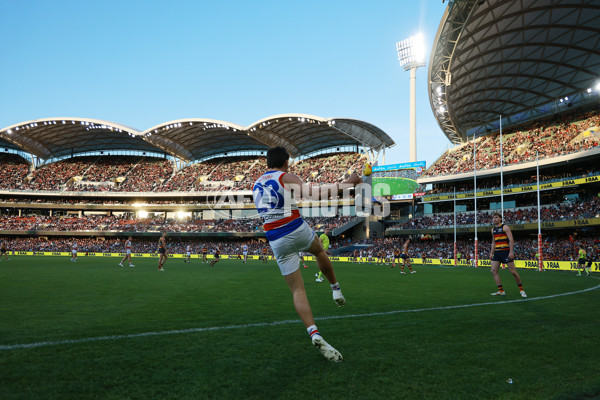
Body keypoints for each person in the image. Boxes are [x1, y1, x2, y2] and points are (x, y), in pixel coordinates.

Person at [252, 146, 362, 362]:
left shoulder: (256, 183)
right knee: (319, 249)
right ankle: (335, 289)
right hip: (294, 228)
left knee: (297, 290)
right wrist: (348, 183)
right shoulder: (285, 176)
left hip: (275, 239)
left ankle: (313, 331)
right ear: (285, 161)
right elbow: (315, 194)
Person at [489, 212, 526, 297]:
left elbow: (511, 240)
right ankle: (501, 291)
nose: (494, 219)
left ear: (500, 219)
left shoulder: (505, 227)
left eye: (496, 217)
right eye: (493, 218)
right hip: (497, 253)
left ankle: (521, 290)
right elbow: (493, 242)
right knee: (493, 271)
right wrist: (491, 252)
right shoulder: (493, 229)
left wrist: (511, 252)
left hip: (505, 251)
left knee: (513, 272)